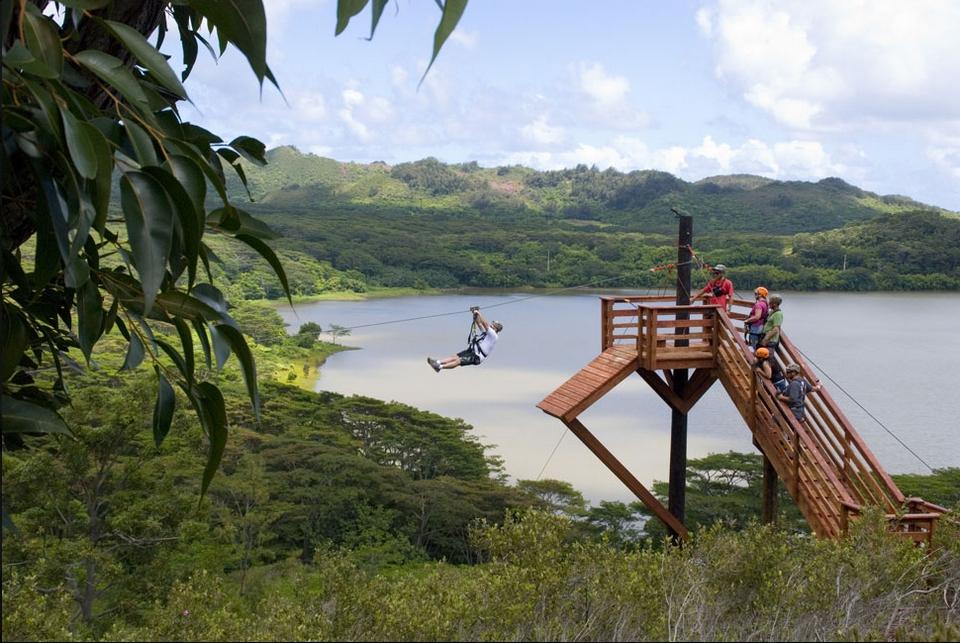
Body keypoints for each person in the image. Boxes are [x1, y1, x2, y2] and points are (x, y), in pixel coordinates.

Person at [427, 307, 503, 372]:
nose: (490, 325)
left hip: (477, 357)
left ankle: (439, 367)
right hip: (471, 351)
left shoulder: (494, 336)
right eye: (491, 324)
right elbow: (479, 323)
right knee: (455, 356)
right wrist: (475, 313)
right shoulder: (486, 333)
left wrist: (479, 313)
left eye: (492, 325)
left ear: (495, 328)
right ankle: (437, 362)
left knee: (458, 361)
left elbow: (485, 324)